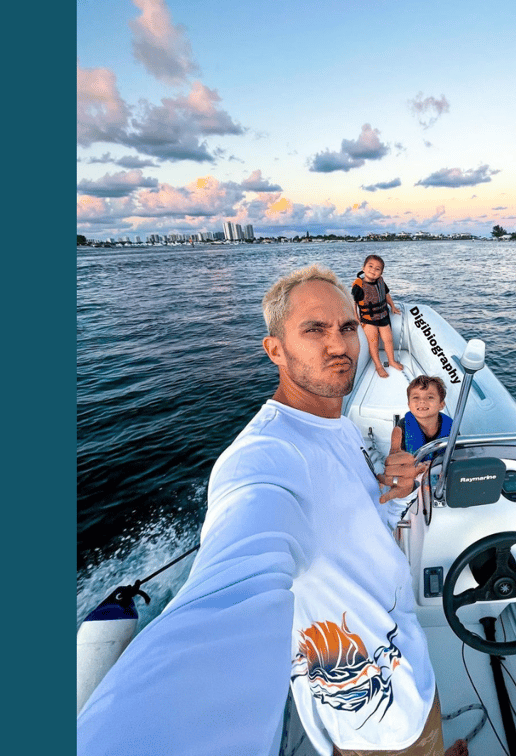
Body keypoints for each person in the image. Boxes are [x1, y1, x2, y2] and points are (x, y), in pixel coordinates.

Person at [77, 264, 466, 756]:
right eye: (315, 329)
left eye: (348, 328)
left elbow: (361, 525)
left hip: (409, 670)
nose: (340, 345)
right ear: (275, 350)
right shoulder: (262, 460)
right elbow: (223, 605)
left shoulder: (338, 427)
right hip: (378, 728)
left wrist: (397, 493)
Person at [351, 254, 403, 378]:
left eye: (377, 269)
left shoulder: (380, 282)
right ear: (363, 268)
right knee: (373, 342)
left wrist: (393, 307)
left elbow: (386, 295)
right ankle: (378, 366)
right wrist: (355, 317)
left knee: (388, 339)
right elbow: (354, 302)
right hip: (368, 319)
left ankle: (391, 361)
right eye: (370, 266)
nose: (373, 270)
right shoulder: (358, 286)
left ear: (381, 272)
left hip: (383, 316)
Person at [401, 375, 454, 461]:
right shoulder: (402, 426)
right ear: (409, 405)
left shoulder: (452, 428)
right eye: (416, 397)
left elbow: (459, 456)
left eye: (430, 397)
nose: (422, 401)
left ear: (442, 404)